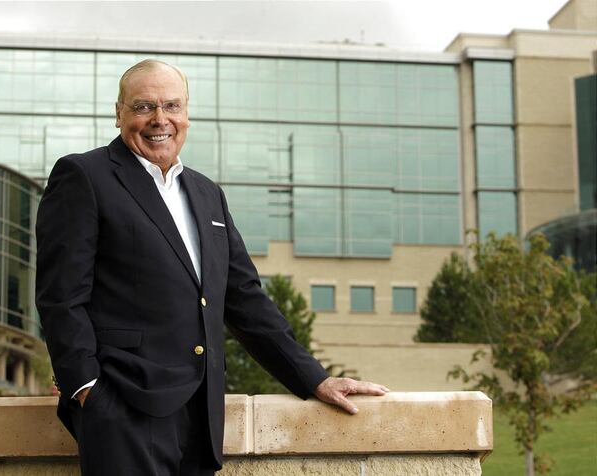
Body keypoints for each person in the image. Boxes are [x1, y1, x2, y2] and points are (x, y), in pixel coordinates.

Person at [35, 59, 390, 476]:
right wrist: (87, 389)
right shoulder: (84, 175)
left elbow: (243, 299)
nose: (160, 119)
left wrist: (314, 379)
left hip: (201, 415)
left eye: (172, 106)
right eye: (144, 106)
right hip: (124, 408)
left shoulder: (207, 195)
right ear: (119, 114)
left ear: (187, 115)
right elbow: (61, 296)